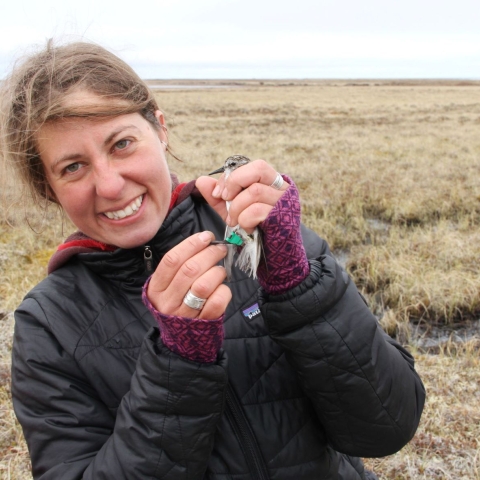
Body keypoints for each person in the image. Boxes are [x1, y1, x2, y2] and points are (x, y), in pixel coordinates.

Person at [2, 40, 425, 480]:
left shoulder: (256, 232)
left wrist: (298, 285)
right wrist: (176, 363)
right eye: (72, 167)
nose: (109, 185)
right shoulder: (48, 325)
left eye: (122, 143)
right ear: (48, 188)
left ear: (160, 129)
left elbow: (387, 428)